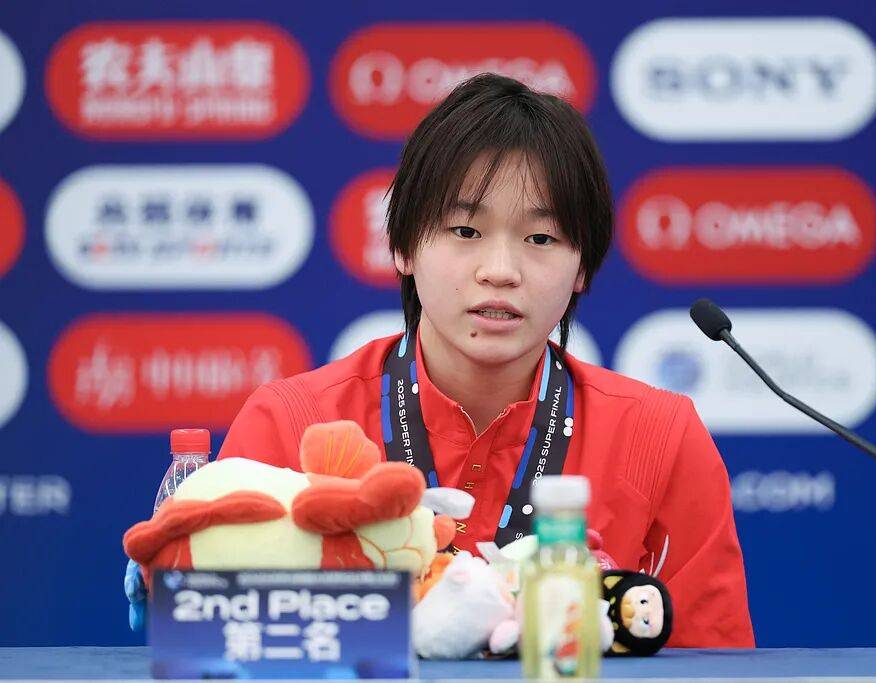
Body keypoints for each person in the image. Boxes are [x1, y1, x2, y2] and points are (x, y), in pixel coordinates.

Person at [126, 73, 754, 648]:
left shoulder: (660, 436)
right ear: (403, 245)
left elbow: (714, 663)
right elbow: (221, 653)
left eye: (541, 238)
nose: (500, 271)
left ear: (582, 265)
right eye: (465, 231)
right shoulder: (291, 423)